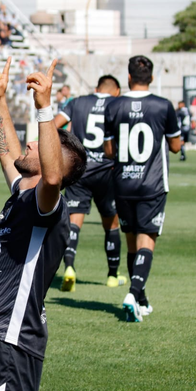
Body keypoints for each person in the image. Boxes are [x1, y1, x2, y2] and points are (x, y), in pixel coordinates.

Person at [0, 57, 161, 391]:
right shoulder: (22, 191)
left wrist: (45, 108)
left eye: (38, 143)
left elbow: (50, 176)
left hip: (12, 334)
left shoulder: (48, 203)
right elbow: (8, 151)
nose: (28, 145)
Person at [103, 56, 182, 322]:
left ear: (128, 77)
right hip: (152, 183)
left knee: (131, 241)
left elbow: (109, 150)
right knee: (146, 240)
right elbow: (175, 146)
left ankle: (142, 299)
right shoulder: (163, 106)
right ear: (151, 77)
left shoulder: (114, 105)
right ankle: (133, 294)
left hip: (123, 182)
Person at [53, 75, 127, 291]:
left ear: (96, 88)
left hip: (81, 170)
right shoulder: (118, 103)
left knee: (74, 222)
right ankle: (113, 275)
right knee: (111, 224)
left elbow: (55, 126)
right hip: (107, 171)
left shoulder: (77, 102)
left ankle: (69, 268)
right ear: (116, 91)